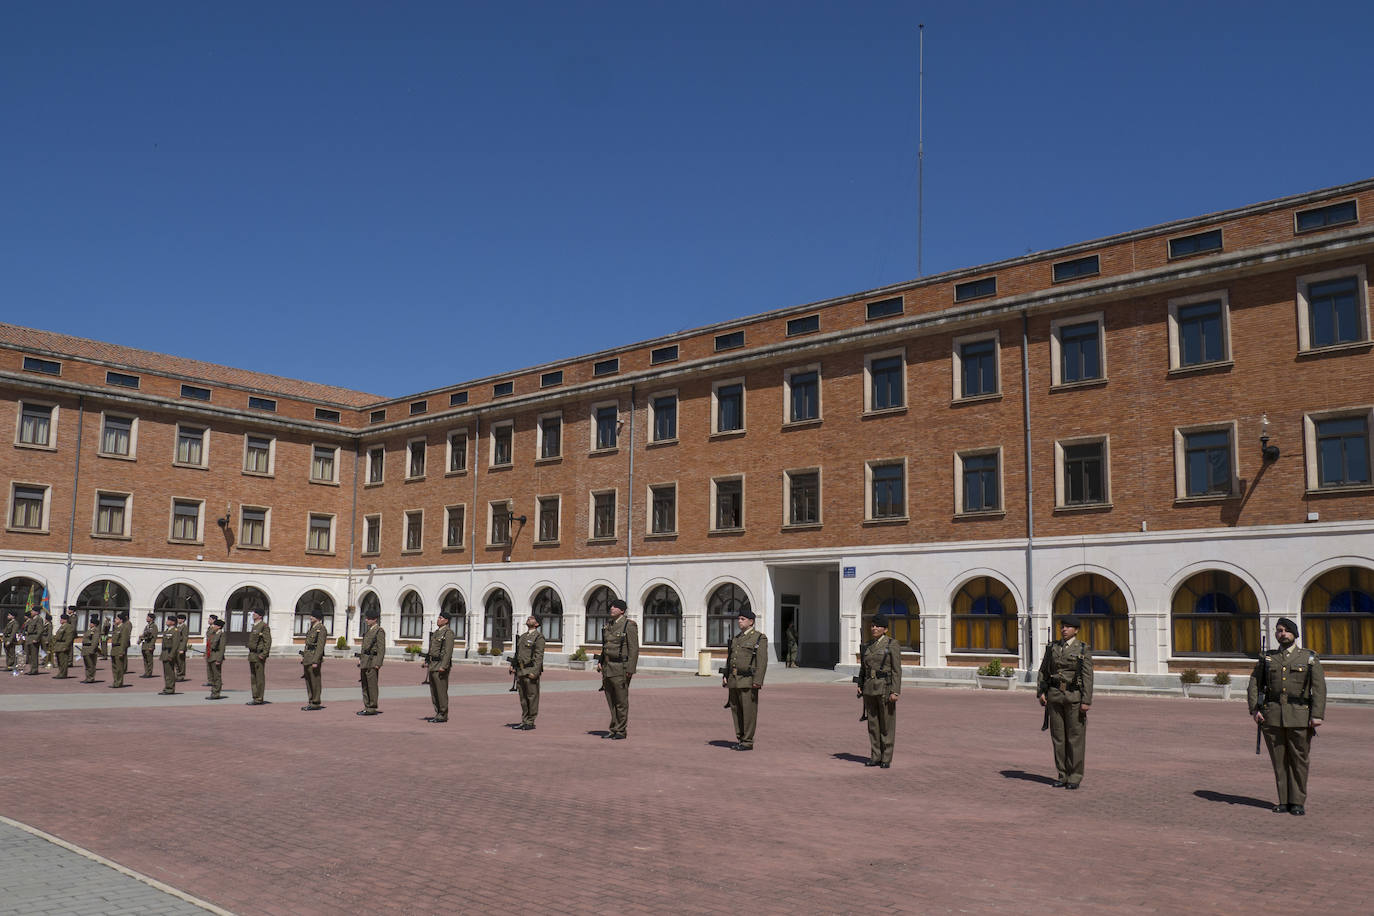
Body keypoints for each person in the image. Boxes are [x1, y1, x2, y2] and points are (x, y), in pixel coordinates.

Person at [1248, 617, 1327, 815]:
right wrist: (1254, 709)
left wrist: (1317, 715)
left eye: (1286, 630)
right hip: (1272, 715)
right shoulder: (1267, 658)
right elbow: (1254, 684)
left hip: (1300, 716)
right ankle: (1283, 800)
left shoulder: (1309, 658)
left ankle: (1298, 802)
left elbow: (1319, 689)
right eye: (1279, 630)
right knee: (1279, 760)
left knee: (1299, 760)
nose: (1282, 634)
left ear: (1294, 634)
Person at [1036, 614, 1094, 789]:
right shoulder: (1052, 647)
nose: (1064, 629)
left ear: (1076, 630)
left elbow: (1087, 676)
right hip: (1055, 696)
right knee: (1058, 738)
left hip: (1074, 698)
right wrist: (1041, 691)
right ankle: (1062, 775)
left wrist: (1086, 700)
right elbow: (1043, 671)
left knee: (1075, 738)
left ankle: (1075, 777)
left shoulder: (1082, 649)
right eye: (1062, 627)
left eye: (1068, 627)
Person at [857, 615, 902, 768]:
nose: (874, 628)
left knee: (887, 725)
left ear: (885, 629)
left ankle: (886, 758)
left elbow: (897, 670)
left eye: (878, 626)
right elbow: (863, 668)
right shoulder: (867, 646)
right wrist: (860, 683)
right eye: (873, 626)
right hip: (870, 688)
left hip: (885, 688)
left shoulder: (892, 644)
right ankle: (875, 756)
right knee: (873, 724)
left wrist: (895, 691)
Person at [722, 609, 767, 751]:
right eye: (739, 618)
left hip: (748, 680)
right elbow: (730, 658)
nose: (739, 621)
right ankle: (740, 738)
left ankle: (747, 741)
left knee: (748, 712)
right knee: (736, 710)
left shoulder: (759, 638)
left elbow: (762, 661)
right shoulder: (736, 638)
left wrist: (758, 681)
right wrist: (726, 675)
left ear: (751, 621)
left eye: (742, 619)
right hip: (734, 679)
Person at [596, 598, 638, 740]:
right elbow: (605, 646)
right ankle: (614, 728)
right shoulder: (608, 626)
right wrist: (601, 661)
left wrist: (630, 669)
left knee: (621, 701)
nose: (611, 608)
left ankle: (621, 730)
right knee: (611, 700)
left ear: (622, 610)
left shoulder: (628, 626)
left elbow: (634, 649)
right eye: (611, 606)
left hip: (621, 668)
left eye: (615, 607)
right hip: (608, 668)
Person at [511, 615, 545, 730]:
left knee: (532, 697)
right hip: (521, 670)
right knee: (523, 698)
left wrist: (535, 672)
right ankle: (524, 720)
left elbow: (539, 656)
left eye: (533, 618)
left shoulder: (538, 637)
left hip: (530, 670)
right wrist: (513, 665)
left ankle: (530, 721)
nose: (529, 618)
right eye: (529, 618)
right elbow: (518, 653)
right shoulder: (523, 637)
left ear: (536, 624)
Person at [425, 609, 455, 723]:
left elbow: (448, 651)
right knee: (434, 690)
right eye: (438, 617)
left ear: (446, 620)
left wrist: (444, 665)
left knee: (441, 690)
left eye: (441, 618)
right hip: (433, 664)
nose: (438, 620)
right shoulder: (437, 632)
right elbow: (432, 648)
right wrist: (427, 660)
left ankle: (443, 713)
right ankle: (437, 712)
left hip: (440, 665)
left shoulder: (448, 633)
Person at [357, 605, 385, 716]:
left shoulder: (379, 631)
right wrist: (361, 659)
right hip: (365, 660)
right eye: (366, 618)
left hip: (373, 661)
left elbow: (381, 648)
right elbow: (364, 647)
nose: (366, 620)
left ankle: (372, 707)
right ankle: (366, 705)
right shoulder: (368, 631)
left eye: (368, 618)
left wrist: (378, 663)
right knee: (364, 684)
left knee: (372, 685)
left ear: (374, 619)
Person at [300, 608, 327, 710]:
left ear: (317, 617)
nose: (310, 617)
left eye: (312, 616)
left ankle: (316, 702)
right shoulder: (312, 628)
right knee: (308, 680)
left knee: (315, 680)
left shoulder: (321, 629)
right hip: (308, 657)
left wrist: (316, 660)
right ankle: (311, 701)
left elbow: (320, 647)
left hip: (314, 658)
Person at [246, 609, 271, 705]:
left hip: (258, 655)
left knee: (259, 677)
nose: (253, 614)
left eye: (255, 613)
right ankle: (255, 696)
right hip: (252, 654)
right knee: (253, 677)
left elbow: (267, 641)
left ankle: (259, 698)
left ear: (260, 616)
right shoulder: (255, 626)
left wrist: (264, 654)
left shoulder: (263, 626)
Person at [205, 616, 226, 700]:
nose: (213, 627)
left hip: (216, 657)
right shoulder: (213, 633)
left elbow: (222, 648)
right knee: (212, 676)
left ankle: (216, 693)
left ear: (219, 627)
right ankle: (213, 692)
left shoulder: (221, 635)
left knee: (217, 676)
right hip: (211, 656)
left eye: (215, 626)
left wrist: (219, 659)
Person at [109, 610, 132, 687]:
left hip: (119, 648)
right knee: (114, 667)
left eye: (116, 619)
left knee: (119, 668)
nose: (115, 620)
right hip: (114, 649)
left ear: (121, 620)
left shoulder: (124, 628)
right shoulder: (116, 628)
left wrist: (122, 651)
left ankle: (119, 682)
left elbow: (124, 640)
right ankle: (115, 681)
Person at [158, 615, 180, 695]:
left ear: (173, 622)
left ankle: (170, 688)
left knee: (170, 672)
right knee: (166, 672)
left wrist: (171, 655)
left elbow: (175, 644)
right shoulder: (167, 630)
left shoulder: (175, 631)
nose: (166, 621)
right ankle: (167, 687)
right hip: (165, 653)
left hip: (169, 653)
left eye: (168, 620)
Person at [51, 612, 75, 678]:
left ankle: (63, 674)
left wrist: (66, 646)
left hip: (63, 644)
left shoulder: (68, 627)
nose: (60, 620)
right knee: (59, 661)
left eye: (62, 619)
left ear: (65, 620)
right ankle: (60, 673)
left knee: (63, 661)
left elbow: (69, 638)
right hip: (58, 645)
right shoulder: (62, 626)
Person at [80, 614, 101, 683]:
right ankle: (87, 677)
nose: (90, 624)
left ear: (94, 624)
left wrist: (92, 650)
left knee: (91, 665)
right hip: (85, 649)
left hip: (90, 649)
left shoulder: (95, 631)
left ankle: (91, 678)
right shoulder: (90, 630)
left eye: (91, 623)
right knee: (87, 665)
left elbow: (95, 641)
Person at [23, 606, 42, 674]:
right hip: (29, 638)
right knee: (30, 655)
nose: (31, 612)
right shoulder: (32, 619)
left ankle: (34, 669)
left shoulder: (39, 619)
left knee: (34, 655)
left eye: (32, 611)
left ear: (36, 612)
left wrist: (36, 638)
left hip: (34, 638)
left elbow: (40, 630)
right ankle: (32, 669)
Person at [138, 612, 157, 677]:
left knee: (149, 660)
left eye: (148, 617)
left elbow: (154, 637)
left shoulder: (154, 626)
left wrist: (151, 646)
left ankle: (149, 673)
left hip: (149, 644)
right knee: (145, 660)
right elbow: (144, 635)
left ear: (151, 619)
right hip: (145, 644)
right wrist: (139, 640)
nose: (146, 618)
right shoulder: (147, 626)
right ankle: (146, 672)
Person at [175, 612, 190, 682]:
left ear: (183, 620)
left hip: (181, 647)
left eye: (179, 619)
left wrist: (182, 648)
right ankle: (177, 674)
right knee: (176, 662)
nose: (178, 620)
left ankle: (181, 675)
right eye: (178, 618)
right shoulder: (177, 627)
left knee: (181, 662)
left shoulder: (184, 627)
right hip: (176, 647)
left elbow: (184, 638)